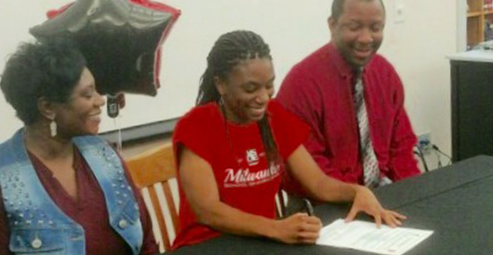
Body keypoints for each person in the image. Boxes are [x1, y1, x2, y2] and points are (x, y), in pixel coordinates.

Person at [171, 30, 406, 249]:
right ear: (221, 84)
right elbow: (208, 210)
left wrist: (357, 192)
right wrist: (276, 227)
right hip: (208, 246)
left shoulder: (274, 117)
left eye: (269, 85)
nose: (263, 97)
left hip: (261, 241)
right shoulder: (196, 127)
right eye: (251, 89)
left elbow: (317, 184)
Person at [0, 39, 157, 254]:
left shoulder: (104, 155)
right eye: (87, 95)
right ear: (48, 107)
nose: (100, 101)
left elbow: (147, 244)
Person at [276, 0, 420, 191]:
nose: (366, 38)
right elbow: (310, 173)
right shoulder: (301, 84)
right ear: (332, 25)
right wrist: (358, 196)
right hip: (326, 204)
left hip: (384, 196)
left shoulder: (385, 73)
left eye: (375, 28)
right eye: (354, 27)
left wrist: (413, 195)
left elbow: (402, 148)